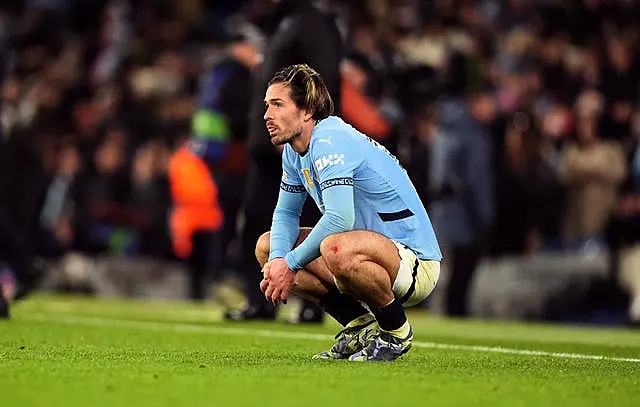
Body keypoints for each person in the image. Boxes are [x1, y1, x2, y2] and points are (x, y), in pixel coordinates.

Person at [257, 64, 442, 361]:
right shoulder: (295, 150)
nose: (267, 115)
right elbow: (286, 214)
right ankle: (360, 326)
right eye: (267, 105)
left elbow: (339, 218)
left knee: (335, 246)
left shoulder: (331, 141)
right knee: (267, 248)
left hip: (414, 262)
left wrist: (290, 265)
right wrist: (280, 259)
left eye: (278, 105)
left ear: (306, 111)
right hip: (362, 253)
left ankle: (396, 332)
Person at [227, 0, 343, 323]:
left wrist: (306, 137)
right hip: (270, 149)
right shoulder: (284, 23)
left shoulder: (312, 23)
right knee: (256, 221)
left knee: (305, 226)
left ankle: (315, 305)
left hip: (292, 147)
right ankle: (261, 300)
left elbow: (324, 82)